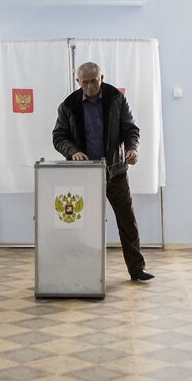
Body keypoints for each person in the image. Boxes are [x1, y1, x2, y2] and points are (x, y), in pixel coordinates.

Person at [52, 62, 151, 282]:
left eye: (93, 81)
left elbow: (130, 129)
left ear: (102, 78)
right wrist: (73, 151)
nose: (89, 86)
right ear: (78, 81)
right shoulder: (68, 105)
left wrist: (133, 148)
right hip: (85, 174)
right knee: (83, 224)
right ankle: (83, 270)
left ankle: (137, 269)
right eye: (84, 82)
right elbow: (58, 137)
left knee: (127, 220)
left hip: (115, 171)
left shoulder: (116, 98)